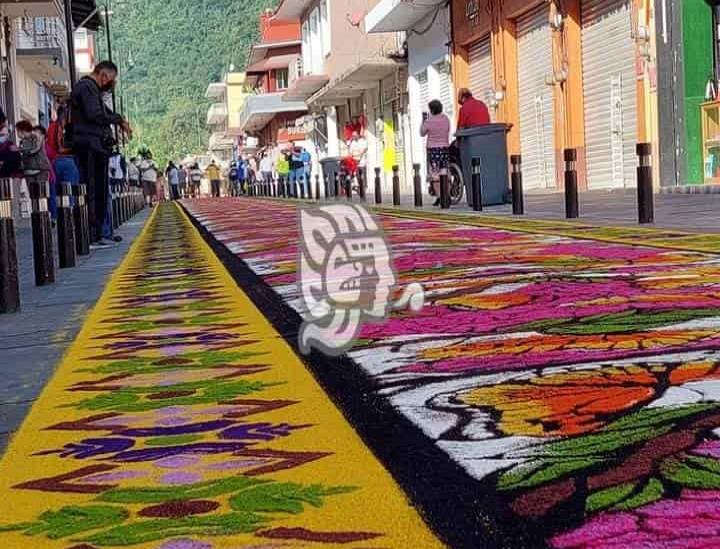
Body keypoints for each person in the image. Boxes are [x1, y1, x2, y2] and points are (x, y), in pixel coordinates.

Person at [71, 60, 132, 247]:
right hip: (89, 146)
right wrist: (117, 120)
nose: (110, 84)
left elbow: (105, 111)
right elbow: (95, 114)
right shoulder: (87, 88)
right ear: (104, 75)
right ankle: (93, 235)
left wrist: (119, 120)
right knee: (93, 190)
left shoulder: (91, 89)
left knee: (99, 190)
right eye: (110, 80)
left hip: (95, 146)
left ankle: (100, 232)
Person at [420, 99, 451, 206]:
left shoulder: (429, 121)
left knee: (435, 175)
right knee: (445, 172)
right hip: (445, 148)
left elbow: (422, 133)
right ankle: (447, 194)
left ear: (431, 110)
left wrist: (424, 121)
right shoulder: (446, 119)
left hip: (433, 150)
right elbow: (447, 130)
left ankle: (439, 196)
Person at [16, 120, 51, 194]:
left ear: (23, 130)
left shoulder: (36, 136)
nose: (17, 134)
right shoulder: (22, 142)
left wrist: (21, 149)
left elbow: (35, 148)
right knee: (33, 197)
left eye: (18, 131)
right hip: (29, 172)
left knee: (41, 196)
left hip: (40, 170)